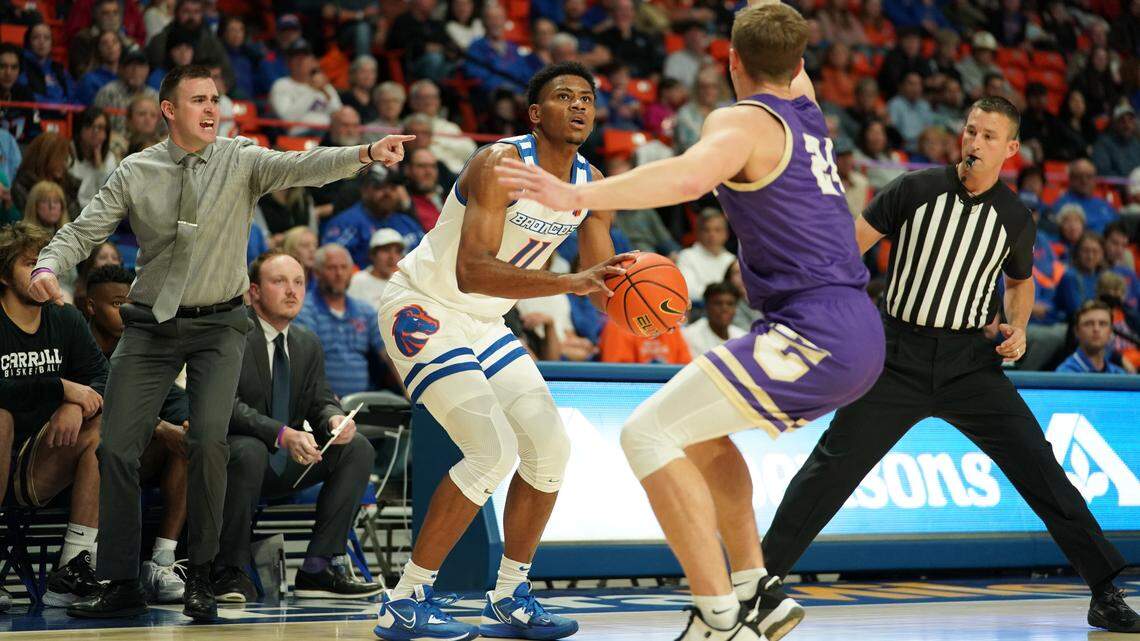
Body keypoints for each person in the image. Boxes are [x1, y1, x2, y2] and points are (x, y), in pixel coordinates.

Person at [495, 6, 884, 639]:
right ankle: (755, 590)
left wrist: (576, 195)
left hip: (813, 331)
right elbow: (781, 55)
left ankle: (715, 612)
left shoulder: (740, 122)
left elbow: (688, 175)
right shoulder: (807, 109)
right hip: (853, 327)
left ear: (730, 61)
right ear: (800, 66)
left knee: (646, 434)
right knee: (699, 436)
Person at [27, 64, 414, 622]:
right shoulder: (137, 170)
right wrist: (49, 263)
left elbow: (304, 165)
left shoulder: (241, 158)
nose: (212, 109)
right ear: (169, 110)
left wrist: (365, 153)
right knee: (115, 446)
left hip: (220, 326)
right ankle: (119, 579)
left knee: (209, 442)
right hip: (152, 324)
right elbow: (86, 229)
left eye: (216, 99)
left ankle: (203, 574)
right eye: (199, 100)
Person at [753, 86, 1140, 633]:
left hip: (970, 364)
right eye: (971, 130)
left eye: (988, 136)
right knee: (830, 468)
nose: (975, 142)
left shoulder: (1016, 217)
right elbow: (847, 247)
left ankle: (1105, 589)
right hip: (896, 354)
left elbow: (1021, 284)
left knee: (1041, 468)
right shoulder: (914, 189)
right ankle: (758, 582)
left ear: (1012, 149)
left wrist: (1020, 327)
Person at [373, 61, 632, 641]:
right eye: (564, 96)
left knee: (549, 448)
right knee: (489, 450)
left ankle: (510, 593)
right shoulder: (501, 164)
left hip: (486, 322)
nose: (579, 105)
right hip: (426, 306)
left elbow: (605, 280)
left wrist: (646, 299)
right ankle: (406, 597)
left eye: (587, 97)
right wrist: (569, 283)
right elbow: (471, 271)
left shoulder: (589, 185)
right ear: (536, 115)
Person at [213, 251, 381, 602]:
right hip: (232, 463)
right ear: (254, 292)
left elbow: (320, 400)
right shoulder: (230, 334)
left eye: (299, 282)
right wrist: (281, 433)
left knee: (356, 447)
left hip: (285, 463)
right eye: (279, 282)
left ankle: (319, 568)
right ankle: (229, 569)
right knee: (249, 449)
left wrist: (334, 418)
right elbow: (223, 406)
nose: (292, 291)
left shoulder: (306, 342)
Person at [0, 223, 107, 611]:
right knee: (1, 419)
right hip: (3, 447)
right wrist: (61, 388)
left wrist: (74, 404)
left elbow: (101, 377)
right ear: (3, 275)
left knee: (100, 428)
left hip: (39, 461)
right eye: (31, 263)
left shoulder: (65, 318)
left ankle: (73, 568)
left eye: (45, 263)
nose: (41, 271)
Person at [84, 264, 190, 603]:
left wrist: (189, 422)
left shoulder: (139, 349)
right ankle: (93, 562)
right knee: (110, 438)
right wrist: (159, 426)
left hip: (133, 459)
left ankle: (162, 559)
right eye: (116, 304)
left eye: (130, 304)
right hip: (80, 459)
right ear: (90, 306)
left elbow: (176, 398)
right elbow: (100, 403)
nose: (125, 312)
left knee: (188, 441)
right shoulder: (80, 344)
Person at [294, 244, 389, 398]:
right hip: (320, 404)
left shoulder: (365, 311)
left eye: (344, 267)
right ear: (317, 273)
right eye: (332, 268)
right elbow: (306, 362)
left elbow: (389, 355)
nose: (339, 273)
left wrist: (411, 395)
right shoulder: (305, 309)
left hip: (363, 405)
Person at [677, 209, 737, 303]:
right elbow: (689, 292)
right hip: (698, 311)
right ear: (697, 232)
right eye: (706, 230)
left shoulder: (732, 260)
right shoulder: (686, 256)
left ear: (726, 234)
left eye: (717, 230)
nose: (712, 235)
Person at [1057, 299, 1129, 374]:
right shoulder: (1065, 374)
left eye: (1102, 324)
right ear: (1077, 331)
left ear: (1110, 332)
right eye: (1089, 324)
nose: (1096, 329)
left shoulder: (1118, 374)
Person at [683, 281, 747, 355]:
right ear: (706, 306)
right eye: (718, 303)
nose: (724, 308)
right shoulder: (690, 336)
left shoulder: (742, 337)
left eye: (730, 304)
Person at [347, 228, 403, 309]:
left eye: (397, 251)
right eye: (386, 250)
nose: (392, 257)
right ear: (372, 255)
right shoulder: (356, 281)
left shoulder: (401, 282)